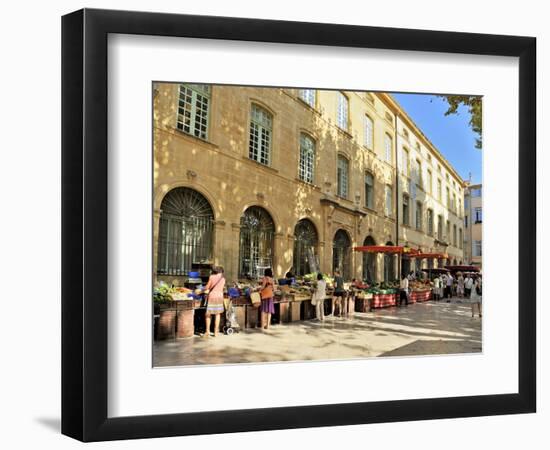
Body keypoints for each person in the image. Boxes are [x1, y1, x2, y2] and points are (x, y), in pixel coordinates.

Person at [203, 266, 226, 337]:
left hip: (212, 297)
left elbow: (207, 287)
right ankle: (216, 332)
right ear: (221, 272)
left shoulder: (212, 277)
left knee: (208, 314)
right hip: (220, 297)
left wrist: (201, 289)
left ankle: (207, 331)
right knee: (217, 314)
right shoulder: (223, 279)